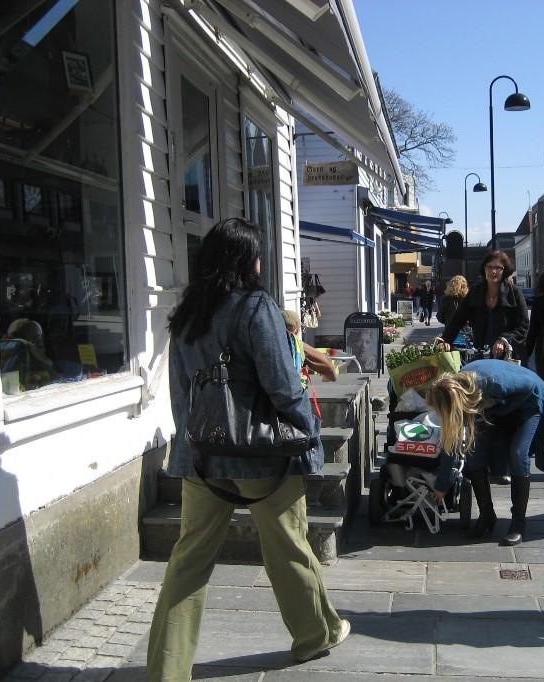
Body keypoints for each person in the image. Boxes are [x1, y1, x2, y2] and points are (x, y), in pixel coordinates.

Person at [148, 218, 349, 679]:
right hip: (262, 454)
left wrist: (188, 448)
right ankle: (313, 635)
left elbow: (181, 394)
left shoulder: (188, 314)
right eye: (258, 255)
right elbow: (283, 386)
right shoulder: (257, 308)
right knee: (286, 546)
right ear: (247, 261)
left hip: (203, 454)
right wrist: (308, 434)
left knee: (189, 560)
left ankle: (166, 670)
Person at [426, 360, 544, 545]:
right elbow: (452, 442)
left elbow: (530, 387)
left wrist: (504, 416)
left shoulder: (490, 383)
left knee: (518, 453)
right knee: (473, 453)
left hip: (530, 400)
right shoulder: (461, 392)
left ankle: (518, 524)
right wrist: (443, 484)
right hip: (497, 404)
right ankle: (487, 515)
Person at [438, 250, 530, 361]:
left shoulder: (514, 293)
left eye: (498, 268)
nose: (493, 271)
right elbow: (457, 319)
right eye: (489, 267)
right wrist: (445, 339)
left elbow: (524, 325)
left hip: (508, 357)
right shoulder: (475, 292)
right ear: (484, 269)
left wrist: (505, 339)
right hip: (481, 355)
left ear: (504, 270)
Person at [281, 309, 337, 384]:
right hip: (290, 392)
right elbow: (331, 371)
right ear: (297, 330)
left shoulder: (267, 341)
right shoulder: (298, 346)